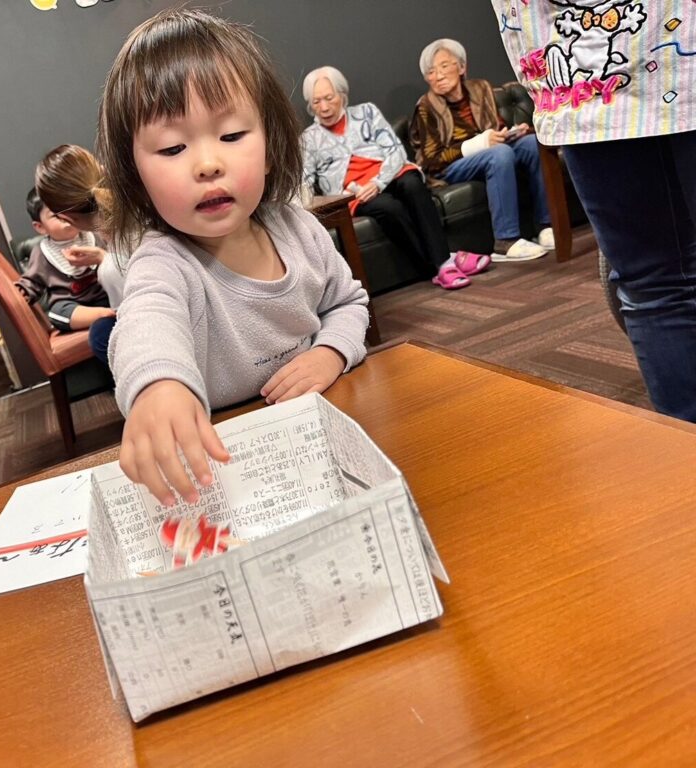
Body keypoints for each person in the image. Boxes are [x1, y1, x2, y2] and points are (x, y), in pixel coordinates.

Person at [97, 9, 370, 506]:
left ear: (269, 146)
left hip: (320, 436)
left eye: (231, 136)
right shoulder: (163, 262)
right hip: (221, 465)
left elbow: (348, 303)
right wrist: (158, 386)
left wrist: (330, 353)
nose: (208, 164)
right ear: (136, 176)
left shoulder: (299, 230)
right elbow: (146, 324)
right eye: (173, 148)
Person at [491, 0, 695, 423]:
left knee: (654, 289)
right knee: (654, 287)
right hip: (653, 55)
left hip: (584, 83)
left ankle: (684, 456)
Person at [302, 66, 491, 289]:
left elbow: (395, 151)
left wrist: (378, 182)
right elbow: (305, 180)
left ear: (342, 95)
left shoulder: (367, 113)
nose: (324, 107)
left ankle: (443, 264)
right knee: (389, 207)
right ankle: (444, 263)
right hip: (356, 192)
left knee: (412, 184)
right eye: (316, 102)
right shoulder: (308, 139)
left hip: (389, 174)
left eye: (329, 98)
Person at [411, 38, 553, 262]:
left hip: (489, 152)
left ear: (462, 67)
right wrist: (478, 144)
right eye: (431, 72)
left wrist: (511, 133)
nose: (438, 76)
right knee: (499, 154)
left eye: (444, 66)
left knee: (530, 144)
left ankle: (546, 226)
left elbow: (494, 127)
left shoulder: (481, 88)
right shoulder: (426, 107)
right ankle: (505, 241)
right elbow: (432, 160)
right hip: (449, 168)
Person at [34, 144, 125, 363]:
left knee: (100, 335)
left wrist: (105, 262)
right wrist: (101, 257)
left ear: (66, 217)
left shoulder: (113, 269)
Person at [16, 187, 115, 333]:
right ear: (40, 227)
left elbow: (116, 260)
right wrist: (24, 291)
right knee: (57, 313)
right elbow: (33, 281)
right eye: (56, 215)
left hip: (103, 294)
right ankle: (103, 314)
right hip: (71, 304)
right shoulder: (42, 252)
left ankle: (110, 310)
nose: (66, 216)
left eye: (68, 209)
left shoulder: (94, 235)